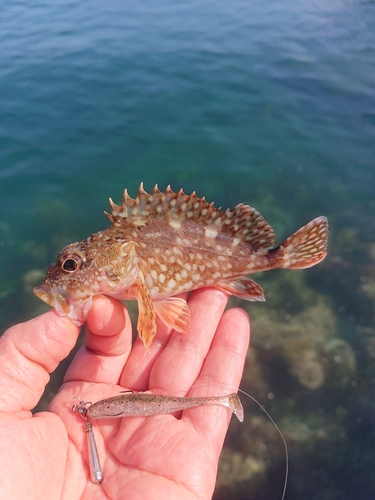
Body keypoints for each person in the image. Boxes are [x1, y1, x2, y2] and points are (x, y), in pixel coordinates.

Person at [0, 288, 250, 500]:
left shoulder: (102, 409)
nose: (95, 412)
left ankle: (224, 400)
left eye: (97, 410)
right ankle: (224, 401)